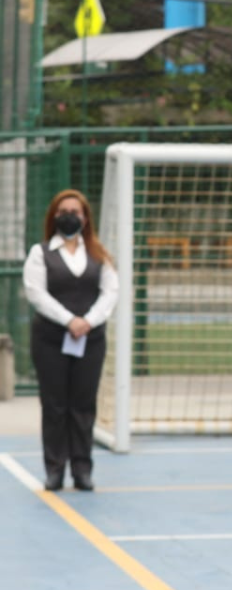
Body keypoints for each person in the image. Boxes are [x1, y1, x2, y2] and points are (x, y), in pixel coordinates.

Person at [23, 189, 118, 492]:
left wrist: (88, 321)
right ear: (53, 216)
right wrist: (69, 320)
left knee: (83, 404)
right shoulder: (40, 253)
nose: (69, 216)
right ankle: (54, 469)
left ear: (86, 217)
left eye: (75, 211)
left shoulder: (99, 255)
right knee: (54, 405)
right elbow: (36, 293)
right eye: (63, 211)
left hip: (90, 341)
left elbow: (110, 293)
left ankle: (82, 469)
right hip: (50, 340)